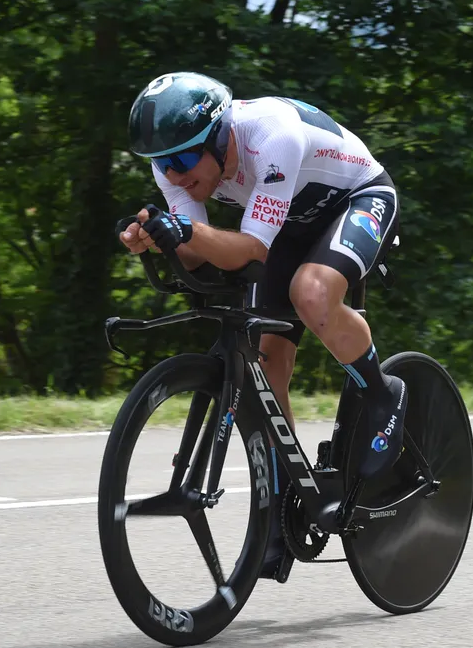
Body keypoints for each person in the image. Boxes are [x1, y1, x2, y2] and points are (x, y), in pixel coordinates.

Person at [118, 71, 406, 579]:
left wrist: (185, 230)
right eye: (162, 164)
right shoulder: (177, 166)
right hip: (287, 223)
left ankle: (383, 393)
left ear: (219, 138)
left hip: (356, 199)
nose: (174, 175)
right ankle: (287, 497)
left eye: (183, 160)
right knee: (265, 364)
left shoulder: (271, 135)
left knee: (311, 293)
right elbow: (201, 248)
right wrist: (160, 237)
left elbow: (248, 249)